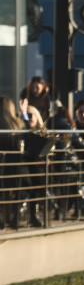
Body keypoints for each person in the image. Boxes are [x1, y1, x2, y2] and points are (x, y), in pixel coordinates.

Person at [0, 95, 25, 229]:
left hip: (2, 166)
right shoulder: (16, 124)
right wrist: (24, 113)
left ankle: (2, 219)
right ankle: (14, 218)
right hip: (15, 166)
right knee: (15, 190)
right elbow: (27, 130)